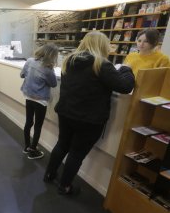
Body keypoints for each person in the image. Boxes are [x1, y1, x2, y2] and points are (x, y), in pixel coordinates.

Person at [44, 31, 135, 195]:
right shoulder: (101, 64)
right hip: (89, 118)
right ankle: (65, 186)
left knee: (62, 144)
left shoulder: (69, 61)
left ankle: (49, 174)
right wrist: (126, 69)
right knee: (76, 153)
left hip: (65, 112)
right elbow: (125, 86)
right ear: (102, 45)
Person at [20, 43, 58, 160]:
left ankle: (27, 147)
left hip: (28, 96)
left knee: (28, 122)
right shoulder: (48, 69)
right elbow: (54, 84)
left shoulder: (30, 61)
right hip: (41, 100)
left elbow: (22, 75)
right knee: (38, 125)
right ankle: (33, 150)